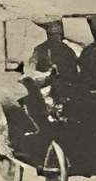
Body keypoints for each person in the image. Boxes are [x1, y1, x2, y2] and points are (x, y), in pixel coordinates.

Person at [5, 19, 80, 153]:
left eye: (57, 34)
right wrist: (43, 76)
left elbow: (74, 72)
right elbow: (31, 68)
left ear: (61, 35)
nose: (55, 38)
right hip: (44, 88)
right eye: (52, 35)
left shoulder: (68, 51)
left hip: (63, 89)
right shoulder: (40, 50)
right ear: (48, 35)